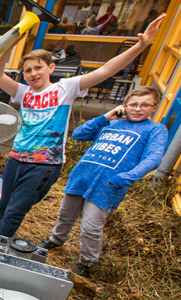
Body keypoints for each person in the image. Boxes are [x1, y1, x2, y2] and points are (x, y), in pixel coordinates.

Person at [0, 13, 166, 243]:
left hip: (44, 165)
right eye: (27, 70)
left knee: (15, 211)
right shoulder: (23, 93)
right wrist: (7, 46)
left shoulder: (66, 89)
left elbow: (106, 71)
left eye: (38, 68)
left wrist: (141, 46)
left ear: (51, 67)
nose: (33, 74)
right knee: (4, 206)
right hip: (15, 159)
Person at [36, 87, 167, 278]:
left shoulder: (154, 129)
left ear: (154, 107)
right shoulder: (112, 123)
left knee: (91, 226)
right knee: (66, 213)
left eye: (145, 105)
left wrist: (127, 177)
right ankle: (56, 239)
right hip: (82, 177)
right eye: (133, 104)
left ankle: (86, 262)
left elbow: (153, 158)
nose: (138, 109)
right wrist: (106, 117)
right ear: (125, 106)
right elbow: (78, 134)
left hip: (109, 185)